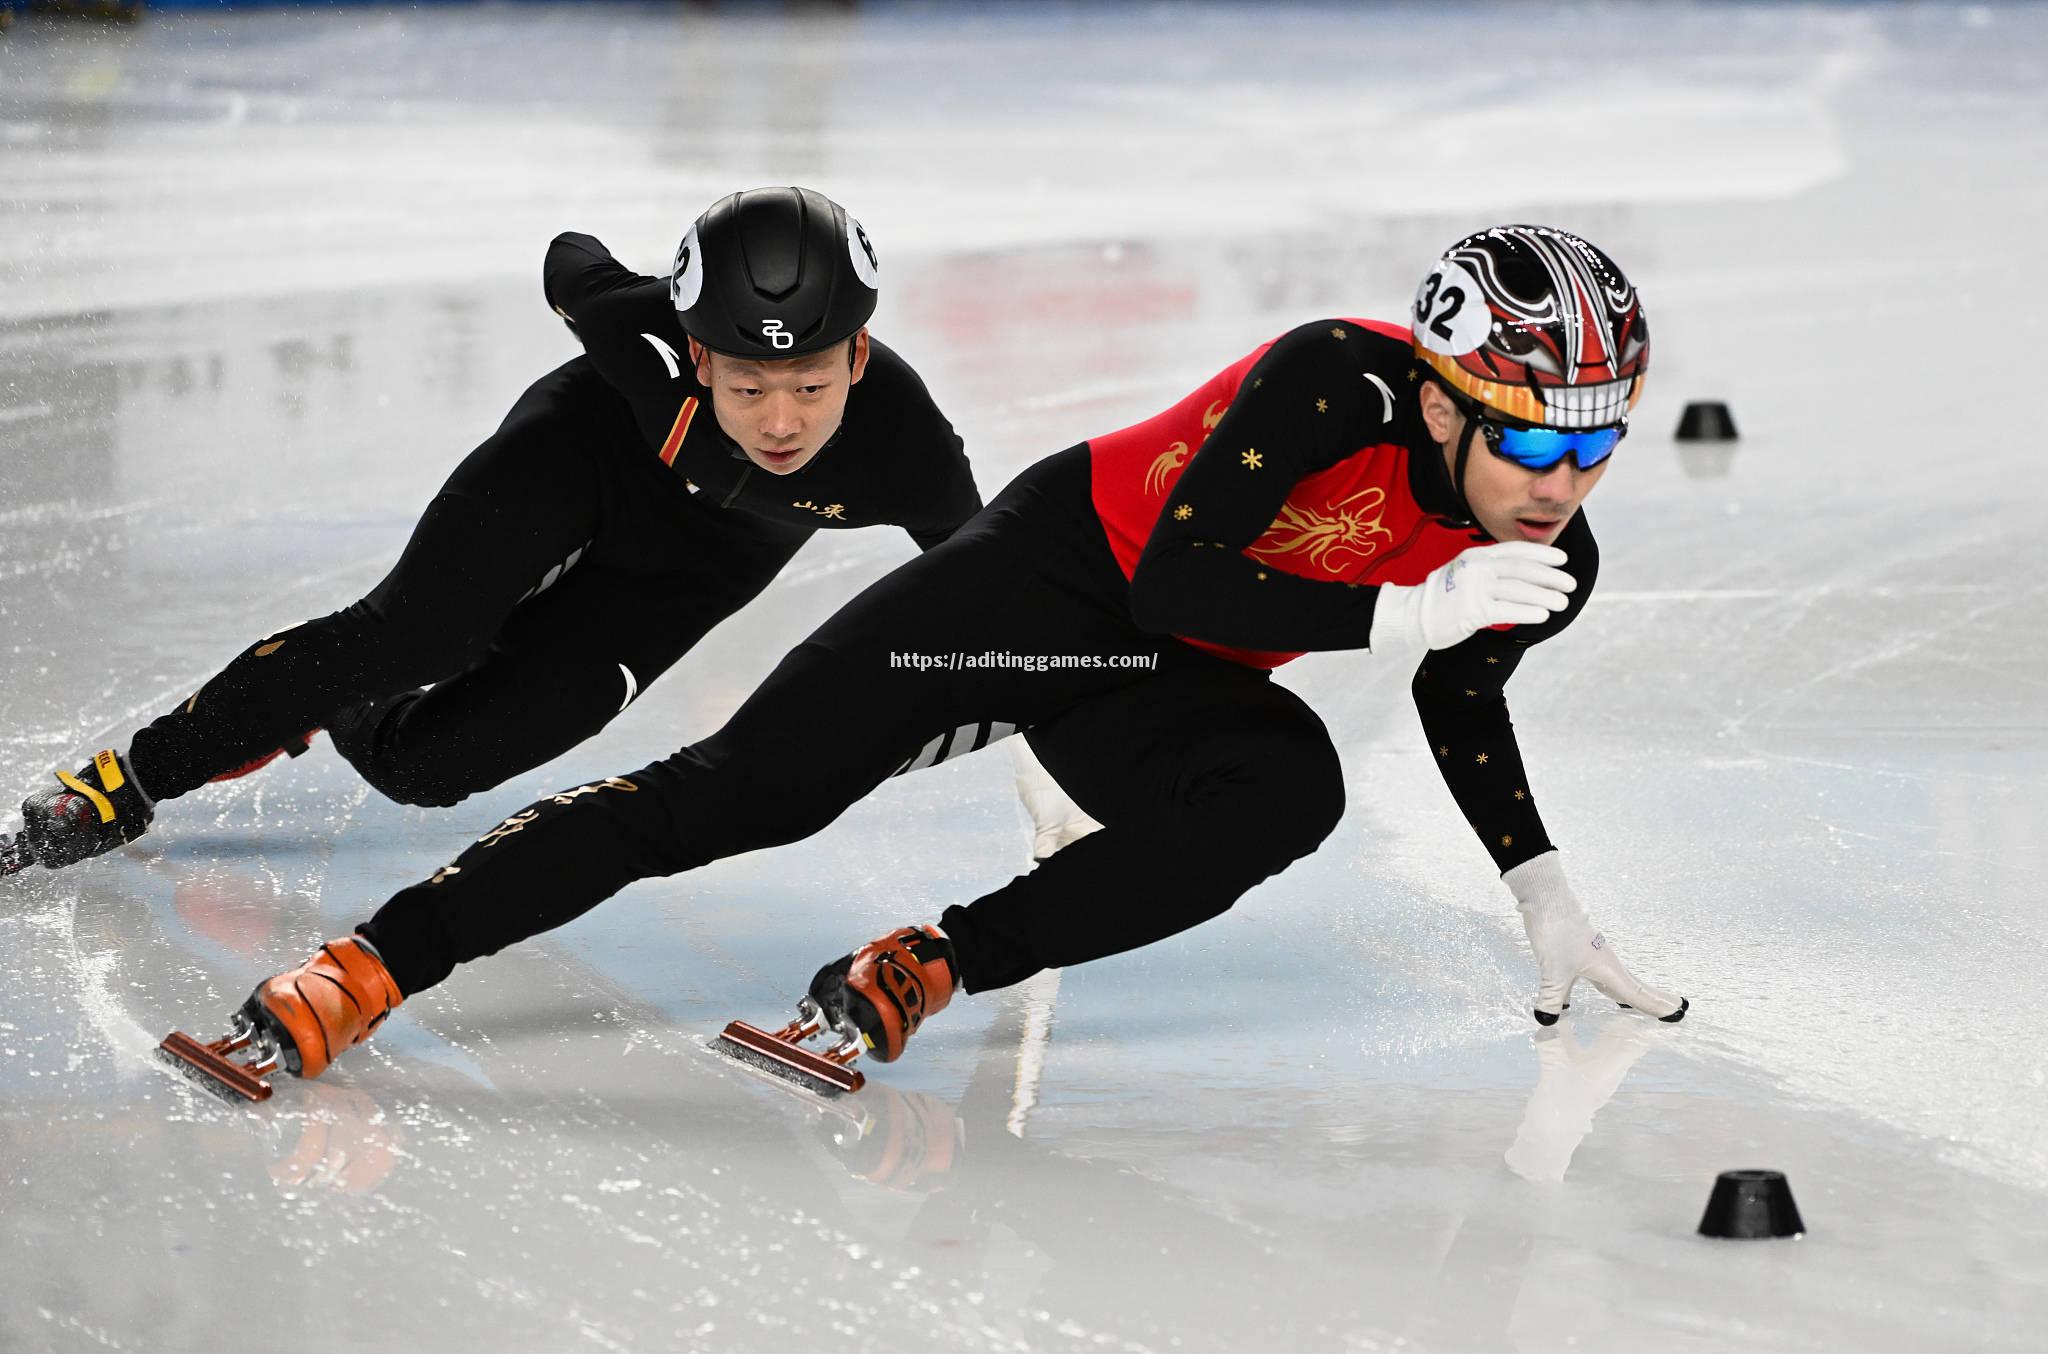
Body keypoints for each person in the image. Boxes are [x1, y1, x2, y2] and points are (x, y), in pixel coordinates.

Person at [162, 223, 1686, 1100]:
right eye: (1539, 437)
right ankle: (374, 961)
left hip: (1155, 683)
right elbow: (1175, 571)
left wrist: (1535, 876)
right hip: (1048, 581)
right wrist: (1403, 611)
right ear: (1438, 401)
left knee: (1286, 786)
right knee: (739, 795)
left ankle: (932, 959)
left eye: (1598, 447)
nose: (1563, 481)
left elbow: (1459, 687)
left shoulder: (1544, 556)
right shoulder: (1328, 380)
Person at [3, 187, 983, 878]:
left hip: (694, 566)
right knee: (418, 634)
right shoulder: (638, 333)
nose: (779, 422)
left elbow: (1000, 586)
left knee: (424, 770)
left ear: (856, 353)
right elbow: (571, 259)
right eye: (744, 385)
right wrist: (602, 292)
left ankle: (325, 702)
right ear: (694, 351)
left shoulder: (911, 454)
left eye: (811, 386)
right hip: (583, 449)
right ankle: (131, 774)